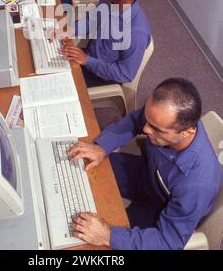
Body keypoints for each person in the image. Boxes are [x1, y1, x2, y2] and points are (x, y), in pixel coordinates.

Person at [69, 78, 222, 250]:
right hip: (147, 173)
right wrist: (102, 147)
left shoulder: (197, 184)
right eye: (148, 120)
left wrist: (109, 236)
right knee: (80, 162)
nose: (146, 130)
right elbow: (136, 120)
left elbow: (167, 242)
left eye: (156, 129)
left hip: (161, 207)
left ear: (187, 132)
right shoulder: (164, 117)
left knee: (87, 239)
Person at [58, 0, 151, 87]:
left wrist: (87, 60)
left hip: (103, 76)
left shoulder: (136, 32)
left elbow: (125, 74)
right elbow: (92, 20)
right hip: (89, 56)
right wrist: (70, 30)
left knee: (57, 83)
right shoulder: (109, 0)